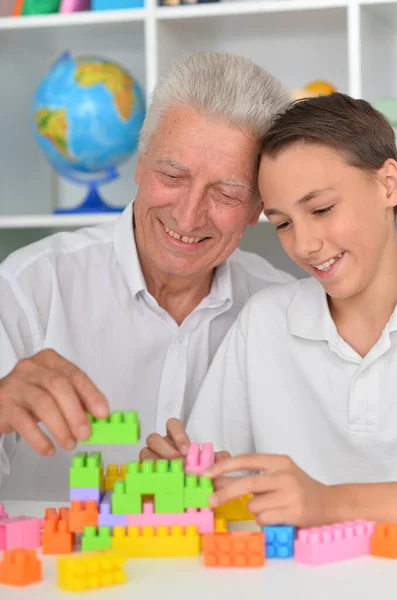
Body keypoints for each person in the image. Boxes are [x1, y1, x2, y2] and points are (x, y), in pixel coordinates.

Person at [0, 52, 294, 501]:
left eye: (227, 193)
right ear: (140, 165)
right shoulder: (30, 288)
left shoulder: (283, 309)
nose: (189, 214)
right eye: (172, 175)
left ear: (259, 207)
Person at [143, 93, 397, 528]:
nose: (304, 245)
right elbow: (218, 481)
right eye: (283, 223)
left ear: (389, 184)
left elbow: (322, 504)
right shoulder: (264, 322)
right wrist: (186, 476)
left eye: (321, 209)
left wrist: (331, 504)